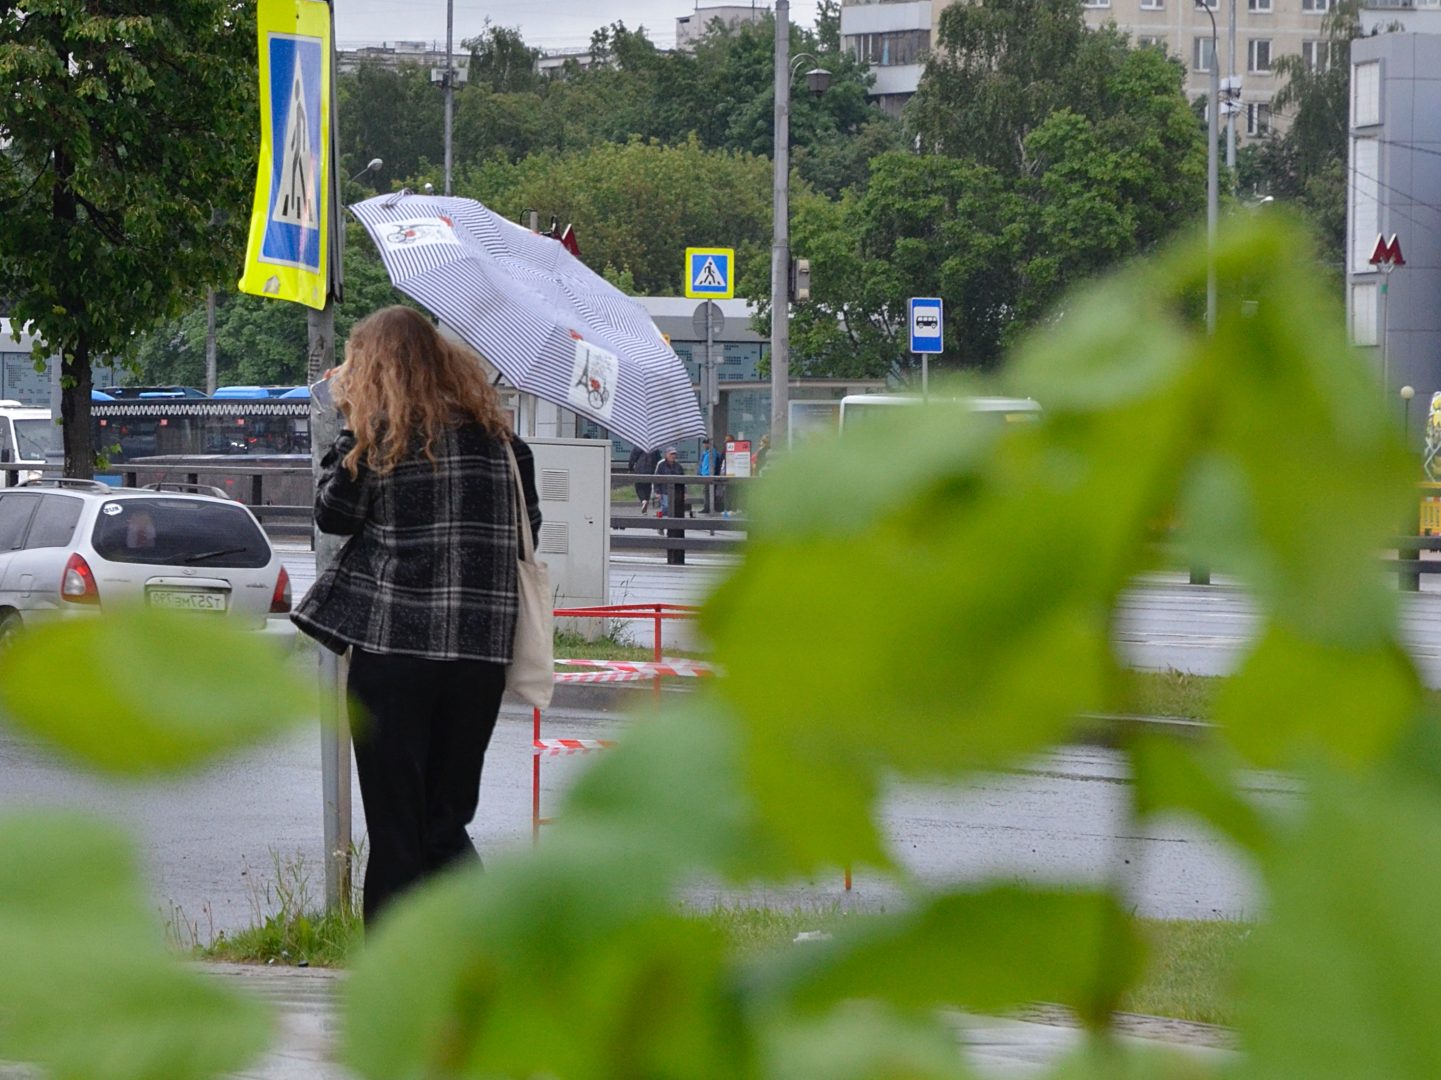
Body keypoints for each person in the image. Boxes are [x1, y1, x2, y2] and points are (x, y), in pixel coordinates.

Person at [291, 305, 542, 927]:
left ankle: (391, 979)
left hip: (394, 658)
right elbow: (527, 531)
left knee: (397, 825)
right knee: (445, 822)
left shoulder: (378, 441)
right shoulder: (506, 446)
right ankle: (479, 957)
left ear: (374, 368)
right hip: (478, 659)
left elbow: (333, 517)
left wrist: (347, 423)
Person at [654, 446, 686, 565]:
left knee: (673, 511)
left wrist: (685, 492)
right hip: (665, 491)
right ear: (666, 455)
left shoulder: (678, 467)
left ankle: (667, 527)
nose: (673, 456)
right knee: (666, 509)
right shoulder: (661, 465)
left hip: (676, 493)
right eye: (671, 454)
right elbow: (656, 478)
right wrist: (657, 491)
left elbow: (683, 480)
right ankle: (662, 525)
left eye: (674, 454)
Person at [628, 444, 659, 514]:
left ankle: (643, 501)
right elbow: (658, 459)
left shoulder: (638, 446)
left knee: (638, 486)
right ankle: (646, 502)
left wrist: (630, 468)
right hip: (651, 469)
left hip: (640, 469)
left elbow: (632, 458)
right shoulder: (654, 448)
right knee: (648, 487)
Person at [697, 436, 720, 514]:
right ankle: (707, 507)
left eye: (705, 444)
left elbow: (712, 464)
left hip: (708, 475)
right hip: (705, 474)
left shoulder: (712, 452)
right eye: (704, 444)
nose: (704, 445)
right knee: (706, 492)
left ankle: (707, 508)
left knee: (708, 492)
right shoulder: (705, 453)